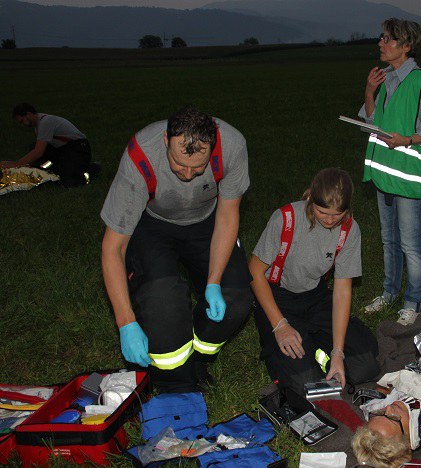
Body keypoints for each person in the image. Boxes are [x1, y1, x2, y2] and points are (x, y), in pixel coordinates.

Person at [100, 106, 252, 393]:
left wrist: (214, 281)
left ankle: (200, 360)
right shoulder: (141, 155)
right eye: (179, 164)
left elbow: (228, 214)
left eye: (198, 167)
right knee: (163, 304)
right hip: (152, 223)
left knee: (236, 298)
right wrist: (125, 322)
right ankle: (174, 380)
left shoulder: (232, 146)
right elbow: (113, 247)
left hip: (208, 219)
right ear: (165, 143)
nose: (188, 175)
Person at [249, 168, 380, 395]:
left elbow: (341, 291)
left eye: (337, 214)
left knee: (366, 364)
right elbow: (254, 271)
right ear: (310, 199)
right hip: (278, 298)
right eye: (322, 212)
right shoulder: (286, 219)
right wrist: (280, 325)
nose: (330, 220)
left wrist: (338, 352)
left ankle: (323, 350)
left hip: (315, 297)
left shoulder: (350, 230)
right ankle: (298, 349)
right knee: (306, 384)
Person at [358, 18, 421, 326]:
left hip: (408, 179)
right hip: (387, 177)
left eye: (387, 39)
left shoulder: (420, 82)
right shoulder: (386, 79)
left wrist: (406, 140)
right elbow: (372, 121)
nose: (380, 43)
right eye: (381, 37)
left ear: (406, 47)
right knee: (388, 240)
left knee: (410, 244)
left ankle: (413, 301)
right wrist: (369, 91)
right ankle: (389, 293)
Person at [3, 103, 93, 186]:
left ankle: (89, 169)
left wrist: (16, 164)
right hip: (64, 149)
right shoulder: (39, 125)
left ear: (29, 114)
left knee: (69, 181)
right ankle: (52, 169)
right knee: (34, 149)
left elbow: (38, 152)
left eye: (22, 121)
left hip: (78, 147)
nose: (23, 124)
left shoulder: (45, 122)